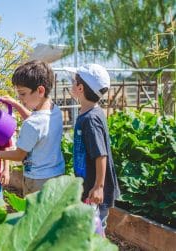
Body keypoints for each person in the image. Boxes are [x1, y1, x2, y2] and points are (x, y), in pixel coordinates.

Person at [0, 60, 65, 196]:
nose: (20, 98)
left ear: (40, 90)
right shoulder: (54, 110)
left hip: (37, 180)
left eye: (22, 94)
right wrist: (15, 104)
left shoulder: (32, 124)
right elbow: (36, 122)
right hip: (56, 175)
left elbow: (18, 155)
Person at [64, 64, 120, 232]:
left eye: (74, 81)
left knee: (95, 231)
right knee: (89, 229)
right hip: (88, 186)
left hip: (95, 191)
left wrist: (98, 187)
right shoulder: (88, 113)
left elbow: (100, 155)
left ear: (80, 88)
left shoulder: (90, 119)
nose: (71, 84)